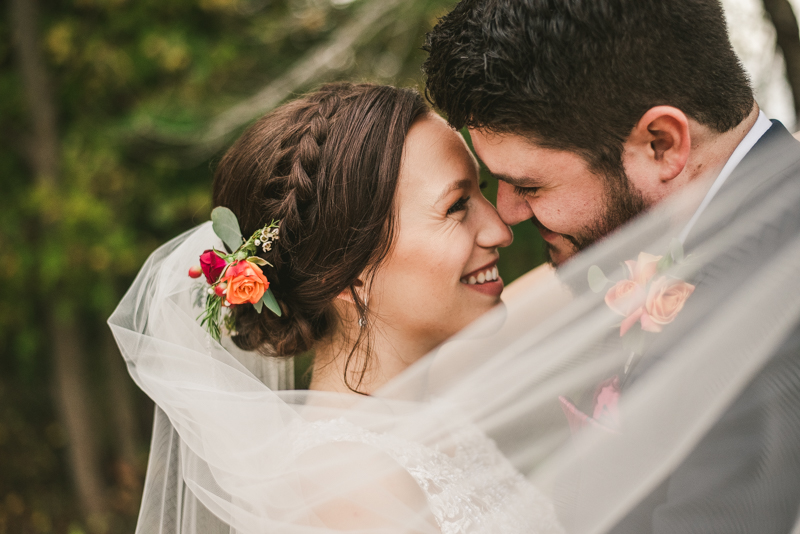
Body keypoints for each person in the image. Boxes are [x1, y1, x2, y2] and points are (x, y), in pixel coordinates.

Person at [110, 82, 566, 534]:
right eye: (456, 206)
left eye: (481, 191)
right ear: (347, 273)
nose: (500, 230)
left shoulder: (424, 385)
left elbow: (580, 286)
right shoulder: (351, 485)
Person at [423, 0, 800, 532]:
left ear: (661, 144)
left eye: (530, 185)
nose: (507, 214)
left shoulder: (761, 305)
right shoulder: (744, 231)